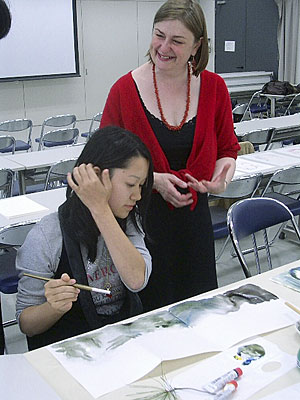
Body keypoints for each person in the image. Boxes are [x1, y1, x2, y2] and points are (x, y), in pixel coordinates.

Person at [100, 0, 240, 312]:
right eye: (159, 35)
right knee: (152, 317)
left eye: (177, 41)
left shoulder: (215, 87)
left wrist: (222, 178)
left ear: (197, 46)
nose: (164, 47)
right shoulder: (124, 90)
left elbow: (228, 149)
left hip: (195, 223)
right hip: (142, 225)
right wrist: (153, 181)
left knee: (201, 311)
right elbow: (103, 162)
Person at [16, 126, 154, 350]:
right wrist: (55, 307)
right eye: (130, 184)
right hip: (74, 350)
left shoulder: (128, 221)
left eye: (140, 186)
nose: (137, 196)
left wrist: (100, 208)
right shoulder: (47, 235)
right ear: (97, 176)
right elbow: (27, 324)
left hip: (122, 342)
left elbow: (137, 280)